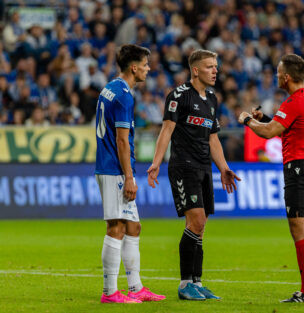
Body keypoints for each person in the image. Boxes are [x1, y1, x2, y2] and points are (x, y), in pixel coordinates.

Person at [147, 49, 240, 300]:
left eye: (216, 66)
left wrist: (224, 168)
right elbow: (166, 131)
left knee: (201, 226)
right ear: (196, 70)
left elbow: (213, 138)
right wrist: (156, 163)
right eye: (210, 67)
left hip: (204, 167)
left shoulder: (212, 98)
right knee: (196, 222)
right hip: (183, 166)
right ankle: (184, 283)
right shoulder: (178, 95)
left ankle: (197, 282)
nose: (215, 71)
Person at [238, 54, 304, 303]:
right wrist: (264, 119)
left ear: (286, 77)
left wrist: (247, 120)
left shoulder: (293, 101)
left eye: (278, 72)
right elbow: (285, 129)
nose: (276, 76)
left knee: (300, 232)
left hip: (298, 170)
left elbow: (268, 133)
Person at [95, 44, 165, 304]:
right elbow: (122, 141)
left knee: (133, 226)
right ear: (134, 67)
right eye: (145, 64)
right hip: (115, 169)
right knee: (116, 226)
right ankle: (110, 292)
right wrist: (129, 177)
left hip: (112, 166)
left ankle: (135, 287)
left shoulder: (110, 88)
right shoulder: (124, 95)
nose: (148, 68)